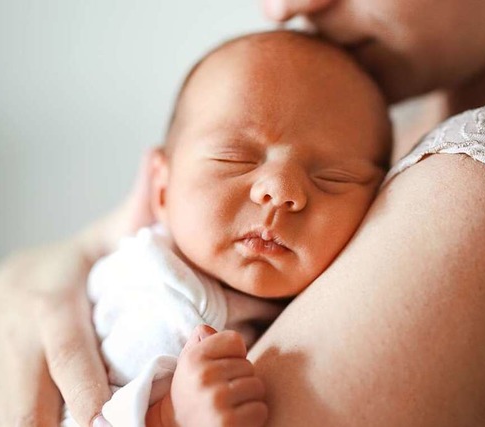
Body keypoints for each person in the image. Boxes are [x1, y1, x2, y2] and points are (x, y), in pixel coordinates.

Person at [0, 0, 485, 426]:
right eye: (234, 159)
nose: (284, 7)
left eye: (333, 177)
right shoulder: (375, 111)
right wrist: (21, 280)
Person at [60, 30, 390, 427]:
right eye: (235, 159)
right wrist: (167, 416)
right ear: (161, 191)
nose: (281, 191)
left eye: (333, 178)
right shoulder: (160, 296)